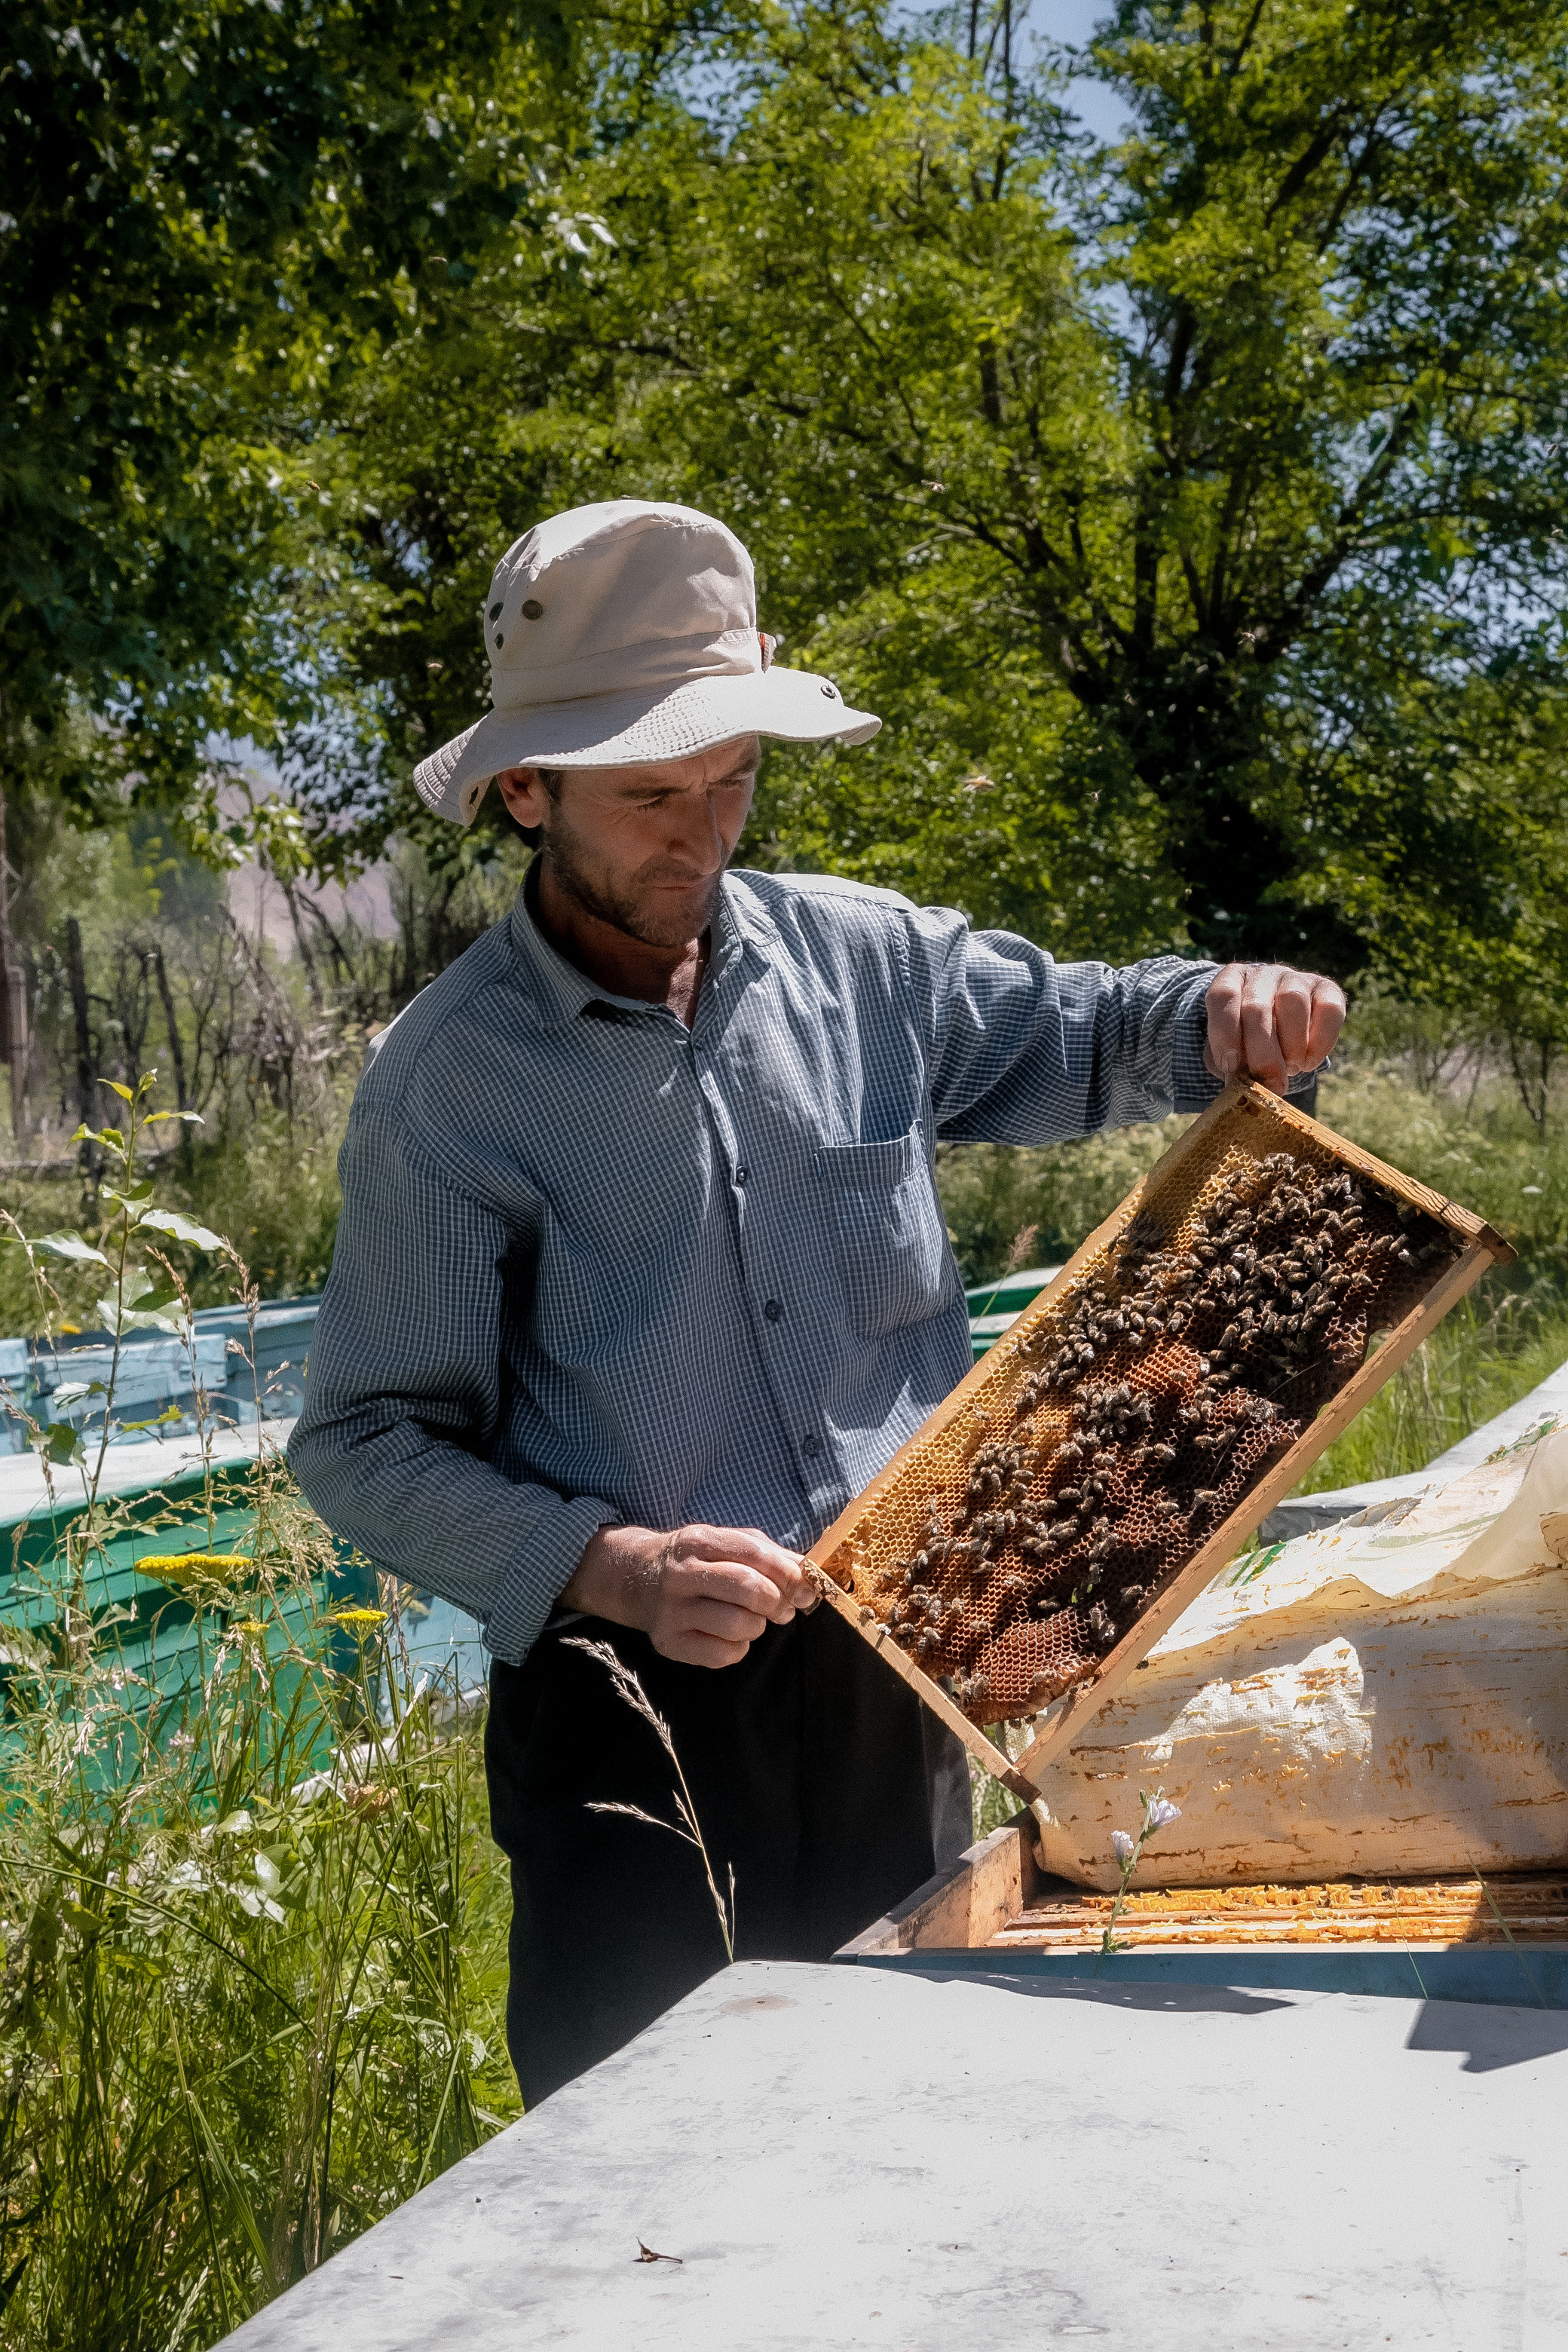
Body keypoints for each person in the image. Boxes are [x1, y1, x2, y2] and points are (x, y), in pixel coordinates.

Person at [288, 498, 1346, 2103]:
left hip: (898, 1662)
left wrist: (1219, 1011)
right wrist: (613, 1568)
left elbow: (1072, 1035)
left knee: (894, 2123)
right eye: (652, 794)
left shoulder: (862, 964)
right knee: (628, 2182)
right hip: (627, 1704)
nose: (702, 834)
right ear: (525, 789)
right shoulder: (450, 1086)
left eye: (733, 782)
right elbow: (364, 1439)